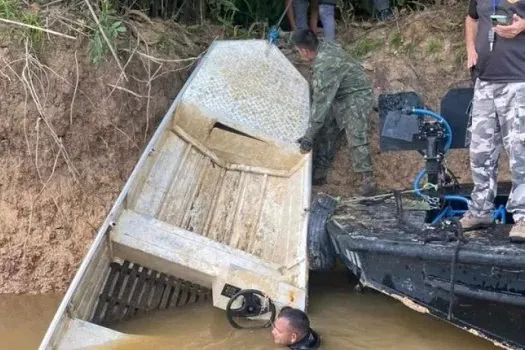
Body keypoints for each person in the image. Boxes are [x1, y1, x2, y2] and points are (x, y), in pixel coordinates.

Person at [461, 0, 525, 242]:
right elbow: (472, 18)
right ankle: (480, 210)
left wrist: (522, 27)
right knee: (480, 151)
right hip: (485, 82)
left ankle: (523, 217)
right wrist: (470, 48)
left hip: (519, 80)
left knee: (520, 152)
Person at [293, 29, 376, 196]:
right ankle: (320, 172)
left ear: (305, 51)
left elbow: (321, 105)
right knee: (328, 128)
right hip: (341, 93)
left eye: (298, 51)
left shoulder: (325, 66)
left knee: (355, 133)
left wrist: (309, 136)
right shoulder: (323, 45)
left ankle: (368, 180)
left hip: (357, 94)